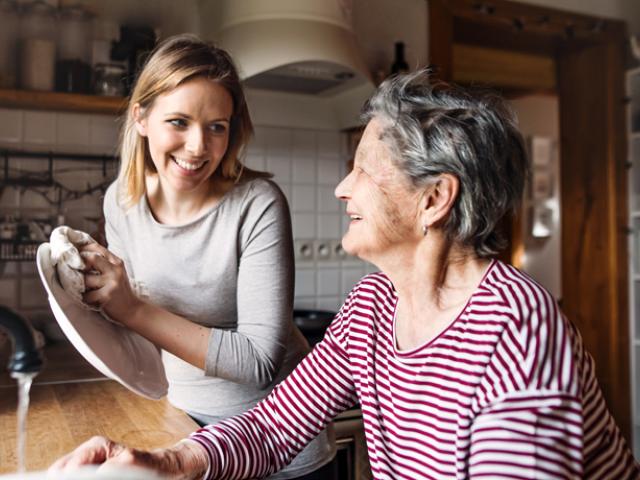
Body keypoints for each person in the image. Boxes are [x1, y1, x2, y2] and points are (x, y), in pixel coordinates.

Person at [52, 70, 640, 479]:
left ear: (434, 198)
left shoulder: (518, 330)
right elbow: (277, 424)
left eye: (362, 170)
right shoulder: (374, 305)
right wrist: (168, 462)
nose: (341, 188)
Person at [72, 34, 336, 479]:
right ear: (141, 118)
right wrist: (92, 294)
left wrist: (130, 308)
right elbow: (134, 327)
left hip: (280, 443)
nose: (198, 146)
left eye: (217, 126)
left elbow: (258, 362)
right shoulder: (122, 201)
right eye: (179, 121)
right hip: (183, 424)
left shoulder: (258, 204)